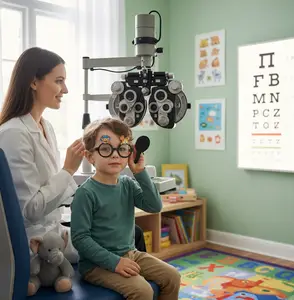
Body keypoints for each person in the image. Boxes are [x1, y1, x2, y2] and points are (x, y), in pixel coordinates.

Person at [70, 118, 181, 300]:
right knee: (142, 291)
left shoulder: (127, 184)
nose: (115, 155)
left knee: (172, 277)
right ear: (90, 156)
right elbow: (80, 239)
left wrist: (139, 172)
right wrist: (115, 263)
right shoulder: (86, 193)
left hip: (131, 253)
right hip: (95, 265)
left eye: (121, 149)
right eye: (105, 149)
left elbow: (154, 206)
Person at [0, 47, 84, 268]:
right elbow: (30, 209)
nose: (65, 89)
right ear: (34, 82)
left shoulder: (46, 127)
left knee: (126, 232)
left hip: (54, 230)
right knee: (126, 238)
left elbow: (51, 189)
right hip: (35, 244)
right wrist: (67, 170)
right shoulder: (13, 133)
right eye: (59, 81)